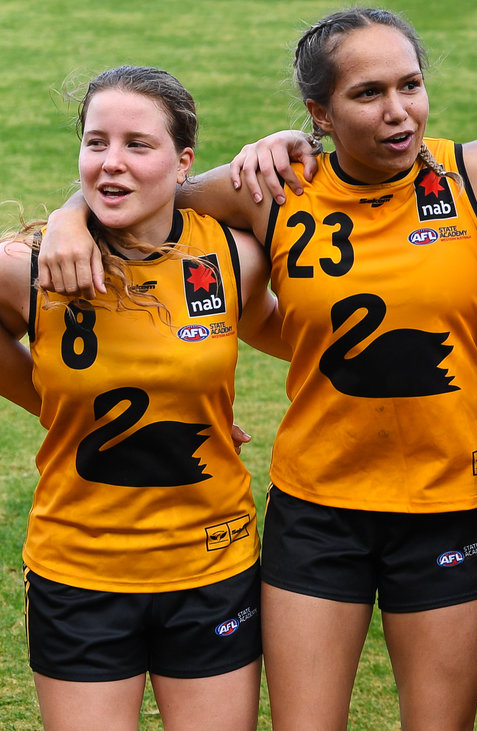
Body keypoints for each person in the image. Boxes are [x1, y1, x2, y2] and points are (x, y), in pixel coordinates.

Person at [37, 9, 477, 729]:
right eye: (368, 93)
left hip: (447, 506)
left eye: (410, 85)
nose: (398, 111)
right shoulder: (277, 186)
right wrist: (70, 214)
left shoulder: (476, 171)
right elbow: (142, 188)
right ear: (319, 114)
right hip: (319, 509)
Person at [0, 65, 287, 730]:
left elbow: (305, 335)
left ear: (184, 163)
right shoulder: (32, 268)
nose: (111, 162)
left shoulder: (233, 259)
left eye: (138, 144)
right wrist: (55, 404)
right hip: (80, 572)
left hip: (211, 566)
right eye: (95, 142)